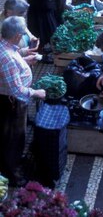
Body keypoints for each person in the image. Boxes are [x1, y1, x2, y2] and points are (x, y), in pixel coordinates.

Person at [0, 16, 46, 186]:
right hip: (12, 103)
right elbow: (17, 90)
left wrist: (25, 57)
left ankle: (9, 165)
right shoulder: (7, 58)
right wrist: (37, 92)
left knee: (11, 135)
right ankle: (12, 173)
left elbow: (12, 57)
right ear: (17, 36)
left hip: (9, 100)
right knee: (14, 138)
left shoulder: (5, 46)